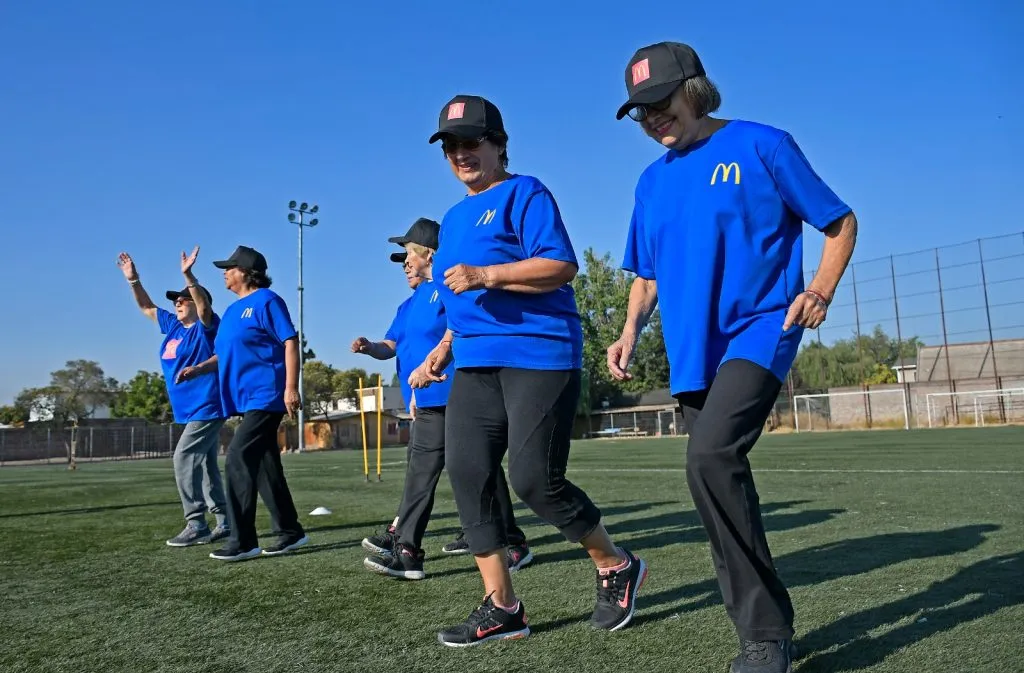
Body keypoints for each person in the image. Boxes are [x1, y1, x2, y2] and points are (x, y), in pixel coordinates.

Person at [609, 42, 858, 673]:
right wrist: (630, 331)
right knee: (710, 479)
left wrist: (820, 289)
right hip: (693, 351)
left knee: (710, 455)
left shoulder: (762, 145)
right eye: (639, 114)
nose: (650, 121)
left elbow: (839, 221)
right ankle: (757, 628)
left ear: (694, 88)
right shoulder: (651, 182)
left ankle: (766, 634)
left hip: (760, 328)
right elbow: (646, 275)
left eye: (658, 104)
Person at [410, 95, 647, 647]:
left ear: (498, 144)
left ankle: (616, 566)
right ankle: (504, 607)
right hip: (474, 361)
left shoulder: (526, 192)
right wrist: (445, 344)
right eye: (451, 146)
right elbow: (458, 292)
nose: (461, 154)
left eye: (472, 142)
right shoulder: (453, 217)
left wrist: (488, 275)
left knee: (535, 480)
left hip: (539, 354)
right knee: (469, 474)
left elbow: (561, 265)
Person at [355, 218, 533, 579]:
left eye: (408, 253)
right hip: (428, 399)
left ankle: (510, 541)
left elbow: (465, 327)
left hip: (460, 393)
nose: (404, 261)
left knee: (478, 467)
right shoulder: (411, 302)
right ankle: (407, 548)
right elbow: (393, 344)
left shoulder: (451, 286)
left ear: (429, 253)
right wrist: (371, 348)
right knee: (422, 472)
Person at [179, 245, 309, 562]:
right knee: (265, 464)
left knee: (237, 456)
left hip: (267, 394)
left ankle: (243, 540)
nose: (225, 272)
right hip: (246, 399)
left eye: (230, 267)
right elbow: (225, 353)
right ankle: (290, 531)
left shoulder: (267, 301)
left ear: (246, 272)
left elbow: (290, 341)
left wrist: (291, 387)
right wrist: (200, 368)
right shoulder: (234, 311)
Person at [116, 248, 229, 547]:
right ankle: (225, 521)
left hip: (208, 405)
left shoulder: (207, 327)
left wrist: (189, 276)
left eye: (182, 299)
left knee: (183, 458)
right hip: (190, 409)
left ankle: (196, 523)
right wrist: (133, 280)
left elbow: (204, 309)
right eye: (176, 301)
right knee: (205, 464)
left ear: (196, 302)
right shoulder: (173, 327)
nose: (177, 303)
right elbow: (147, 308)